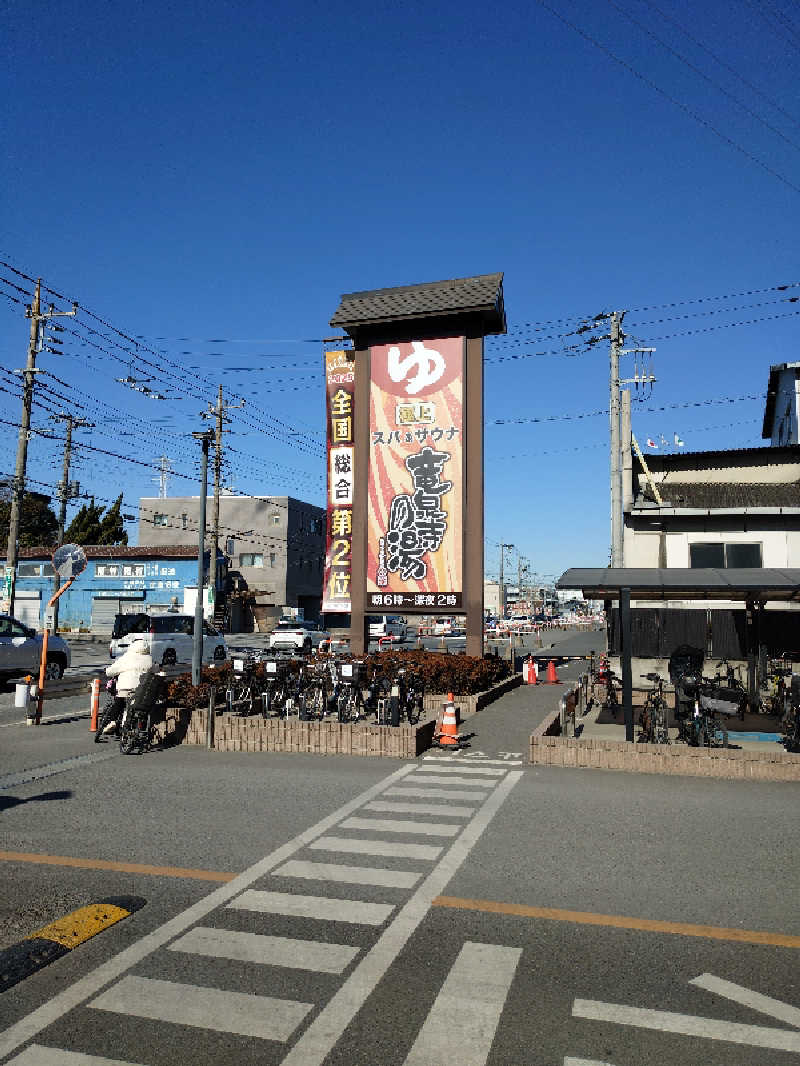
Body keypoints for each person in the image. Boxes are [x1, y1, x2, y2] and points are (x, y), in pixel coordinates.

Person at [103, 640, 153, 735]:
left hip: (125, 687)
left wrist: (107, 671)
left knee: (119, 702)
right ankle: (136, 726)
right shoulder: (149, 659)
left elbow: (112, 670)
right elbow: (156, 669)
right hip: (141, 690)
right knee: (137, 706)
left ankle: (113, 721)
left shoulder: (127, 657)